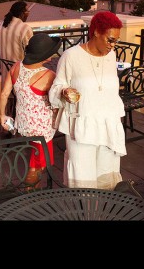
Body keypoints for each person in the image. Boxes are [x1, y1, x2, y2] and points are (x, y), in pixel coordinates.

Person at [49, 11, 125, 189]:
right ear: (97, 32)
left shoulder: (111, 56)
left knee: (106, 175)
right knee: (82, 174)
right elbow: (56, 87)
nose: (113, 46)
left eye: (116, 41)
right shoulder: (71, 56)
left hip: (108, 125)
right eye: (110, 40)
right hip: (81, 126)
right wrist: (65, 92)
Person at [0, 33, 61, 186]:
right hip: (42, 128)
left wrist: (2, 115)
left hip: (24, 123)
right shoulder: (49, 75)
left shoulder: (16, 66)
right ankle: (29, 191)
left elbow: (4, 93)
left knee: (35, 156)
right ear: (45, 56)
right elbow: (57, 101)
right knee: (36, 165)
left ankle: (34, 186)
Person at [0, 0, 33, 89]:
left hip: (5, 74)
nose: (28, 14)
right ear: (21, 13)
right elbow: (31, 52)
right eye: (27, 12)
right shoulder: (24, 28)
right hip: (20, 75)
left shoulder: (0, 26)